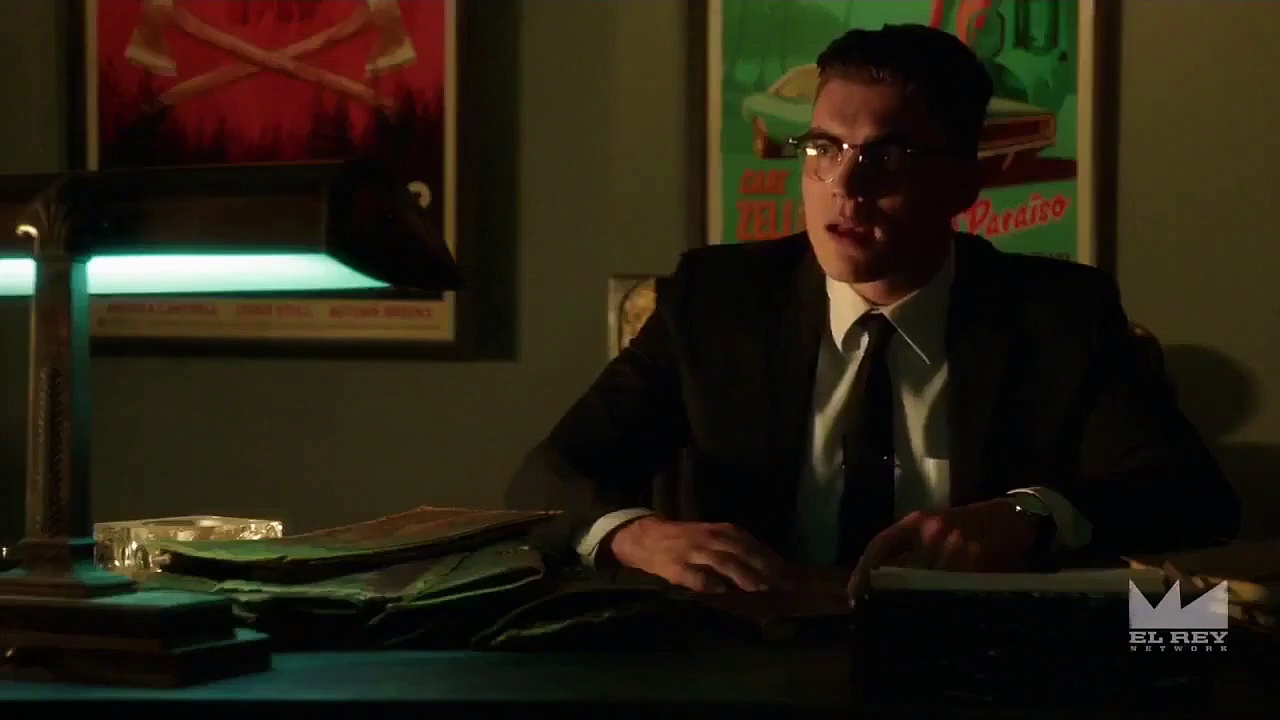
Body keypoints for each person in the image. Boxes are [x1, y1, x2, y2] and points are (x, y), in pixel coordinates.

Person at [509, 24, 1240, 595]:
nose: (845, 187)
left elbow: (1190, 496)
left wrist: (1028, 516)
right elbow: (549, 476)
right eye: (824, 148)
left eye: (887, 157)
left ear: (965, 184)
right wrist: (639, 536)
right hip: (745, 651)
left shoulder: (1059, 314)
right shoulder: (716, 300)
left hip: (979, 662)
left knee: (1186, 637)